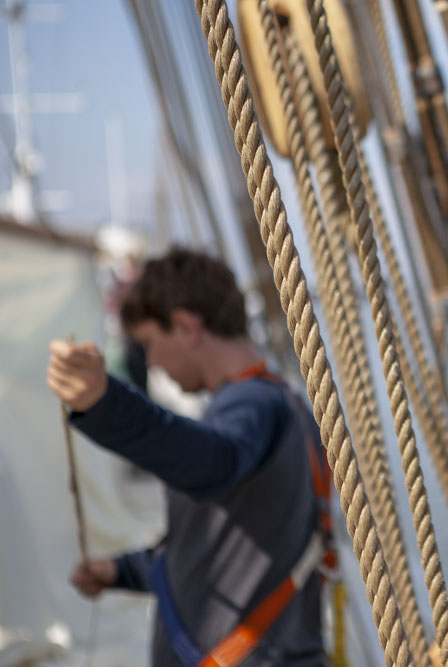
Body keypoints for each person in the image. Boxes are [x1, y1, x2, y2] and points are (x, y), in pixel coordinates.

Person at [47, 248, 329, 666]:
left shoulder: (250, 404)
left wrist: (105, 403)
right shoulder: (286, 407)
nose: (153, 363)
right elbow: (228, 546)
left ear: (186, 326)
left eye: (148, 344)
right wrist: (121, 572)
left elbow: (213, 464)